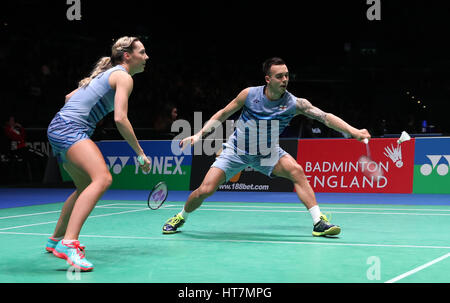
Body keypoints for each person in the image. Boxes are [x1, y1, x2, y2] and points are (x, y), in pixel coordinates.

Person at [162, 57, 371, 237]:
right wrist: (200, 133)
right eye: (279, 76)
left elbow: (325, 117)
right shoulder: (249, 95)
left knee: (296, 171)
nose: (285, 80)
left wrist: (353, 132)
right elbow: (223, 113)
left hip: (267, 152)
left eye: (287, 75)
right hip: (237, 151)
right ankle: (181, 217)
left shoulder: (294, 103)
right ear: (268, 79)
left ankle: (319, 222)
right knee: (204, 190)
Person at [46, 36, 151, 271]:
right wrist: (140, 153)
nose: (146, 57)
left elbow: (68, 98)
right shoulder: (123, 76)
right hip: (71, 129)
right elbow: (120, 118)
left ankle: (55, 240)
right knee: (103, 179)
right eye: (142, 52)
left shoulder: (105, 74)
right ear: (127, 56)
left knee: (85, 187)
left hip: (59, 125)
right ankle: (68, 243)